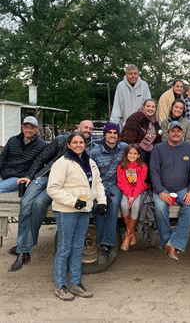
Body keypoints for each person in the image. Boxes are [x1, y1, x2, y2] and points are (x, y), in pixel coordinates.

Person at [8, 120, 95, 272]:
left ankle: (24, 249)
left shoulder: (91, 148)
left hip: (61, 184)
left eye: (91, 129)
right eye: (85, 127)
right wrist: (29, 176)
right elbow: (41, 159)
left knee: (39, 204)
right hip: (44, 177)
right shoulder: (61, 140)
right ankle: (24, 246)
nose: (88, 130)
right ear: (78, 128)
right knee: (25, 203)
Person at [47, 132, 106, 301]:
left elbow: (98, 183)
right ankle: (60, 285)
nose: (79, 145)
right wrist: (73, 202)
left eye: (81, 142)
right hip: (67, 211)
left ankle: (75, 283)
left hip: (84, 210)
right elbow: (52, 189)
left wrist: (101, 201)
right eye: (75, 142)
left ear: (85, 144)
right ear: (69, 144)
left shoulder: (90, 162)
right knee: (65, 248)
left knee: (78, 248)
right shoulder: (62, 163)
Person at [150, 121, 190, 261]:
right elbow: (153, 171)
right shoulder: (158, 149)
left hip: (183, 189)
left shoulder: (189, 148)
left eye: (179, 131)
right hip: (163, 188)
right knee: (160, 207)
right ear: (168, 133)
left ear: (182, 133)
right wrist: (160, 191)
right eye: (173, 131)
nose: (176, 133)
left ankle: (174, 243)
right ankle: (168, 241)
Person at [90, 123, 128, 265]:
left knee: (113, 204)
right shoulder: (95, 152)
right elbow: (91, 173)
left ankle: (107, 244)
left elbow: (135, 156)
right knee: (98, 206)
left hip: (115, 184)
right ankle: (103, 243)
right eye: (109, 132)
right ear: (104, 134)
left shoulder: (123, 148)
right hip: (99, 184)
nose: (112, 135)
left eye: (115, 133)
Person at [0, 116, 47, 194]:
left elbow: (38, 165)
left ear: (36, 128)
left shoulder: (42, 146)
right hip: (4, 174)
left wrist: (28, 177)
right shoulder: (13, 140)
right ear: (22, 127)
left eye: (31, 128)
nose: (28, 130)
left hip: (19, 178)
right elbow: (2, 158)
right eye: (26, 127)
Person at [117, 144, 148, 251]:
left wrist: (133, 196)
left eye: (135, 153)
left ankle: (127, 236)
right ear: (126, 154)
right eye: (130, 153)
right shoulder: (121, 166)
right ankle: (132, 233)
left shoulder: (142, 167)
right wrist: (129, 195)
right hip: (126, 191)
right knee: (123, 204)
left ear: (139, 155)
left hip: (137, 191)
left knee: (136, 206)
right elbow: (122, 182)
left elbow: (140, 182)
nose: (132, 155)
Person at [119, 99, 161, 164]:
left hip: (150, 150)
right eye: (148, 106)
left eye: (153, 107)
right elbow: (128, 139)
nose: (150, 109)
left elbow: (158, 140)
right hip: (137, 149)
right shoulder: (136, 117)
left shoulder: (155, 122)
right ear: (143, 107)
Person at [110, 64, 151, 129]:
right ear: (126, 75)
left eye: (135, 73)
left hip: (141, 125)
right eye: (130, 73)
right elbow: (117, 106)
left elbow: (149, 104)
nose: (133, 76)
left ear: (138, 74)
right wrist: (113, 125)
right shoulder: (121, 86)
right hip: (125, 126)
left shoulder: (144, 85)